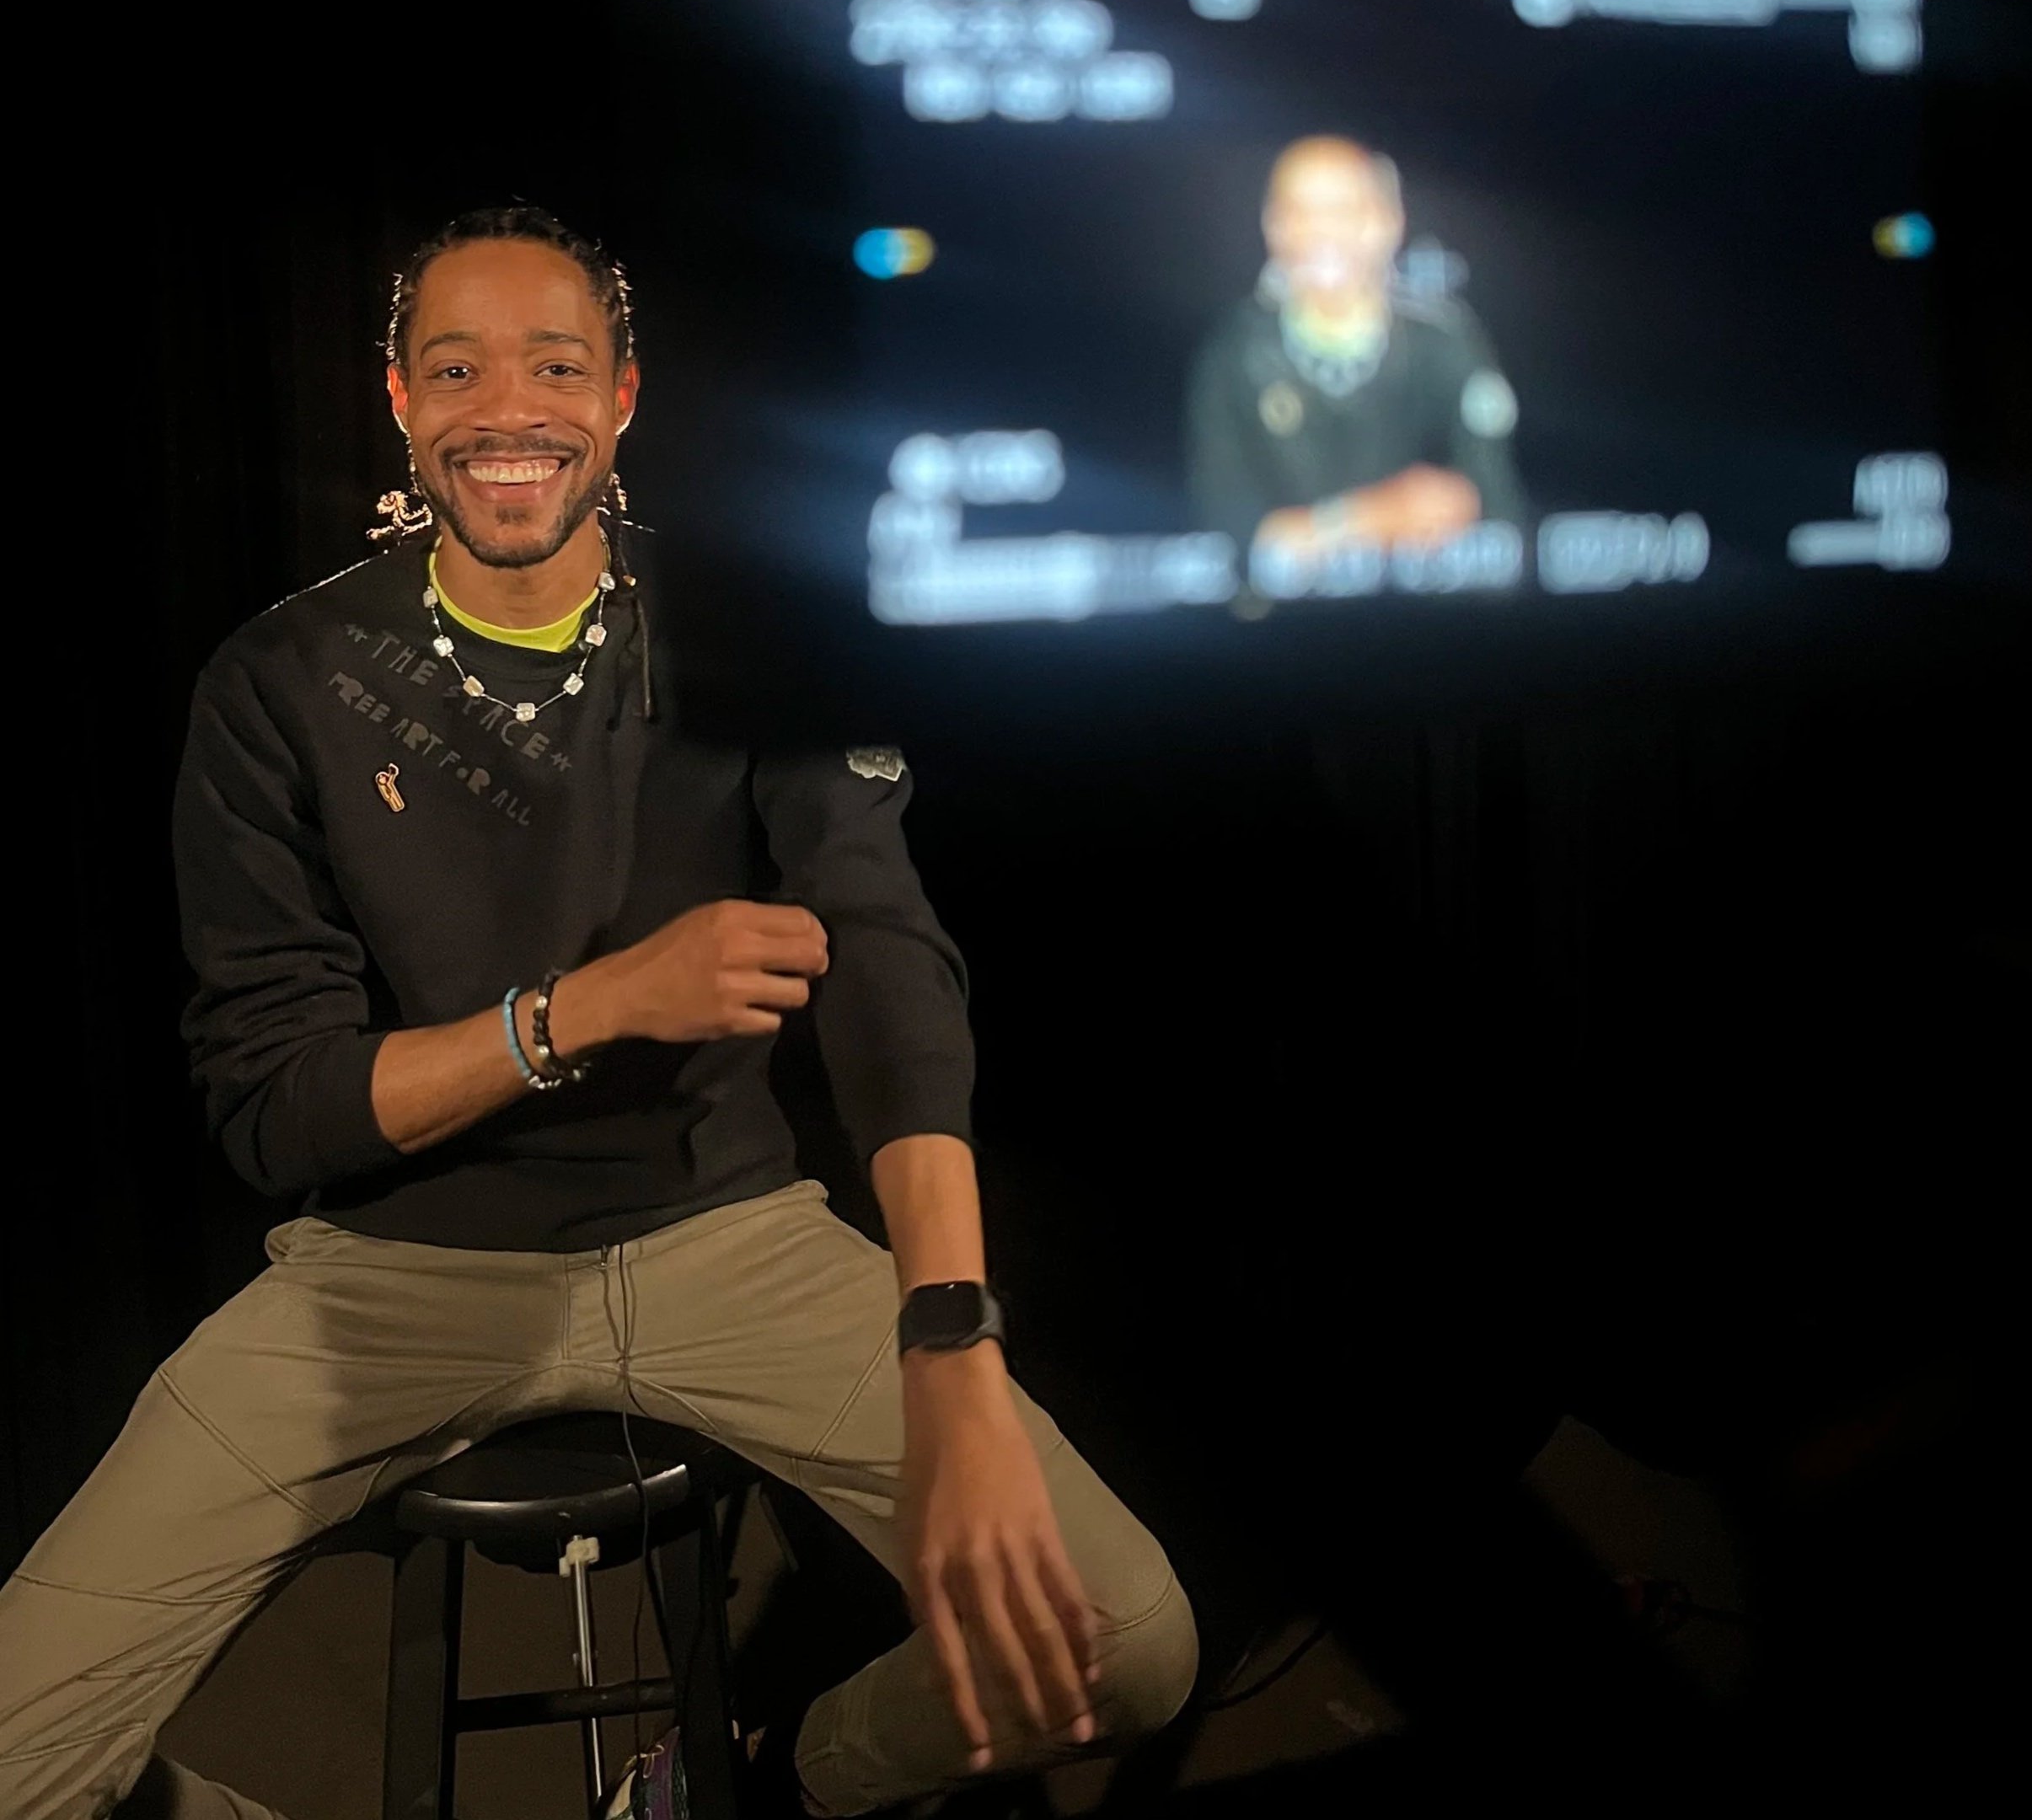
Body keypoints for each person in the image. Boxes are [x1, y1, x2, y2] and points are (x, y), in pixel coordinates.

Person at [0, 206, 1195, 1820]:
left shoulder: (762, 635)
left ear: (623, 395)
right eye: (457, 368)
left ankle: (750, 1791)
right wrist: (585, 1007)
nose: (509, 408)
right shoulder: (279, 680)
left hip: (729, 1236)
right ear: (400, 402)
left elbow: (895, 974)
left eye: (557, 364)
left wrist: (953, 1334)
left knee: (1127, 1644)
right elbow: (276, 1109)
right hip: (390, 1268)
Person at [1187, 136, 1525, 578]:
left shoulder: (1445, 341)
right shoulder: (1234, 356)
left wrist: (1312, 536)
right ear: (1272, 226)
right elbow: (1230, 539)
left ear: (1388, 221)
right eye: (1299, 213)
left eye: (1344, 212)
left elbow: (1493, 515)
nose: (1321, 233)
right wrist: (1370, 519)